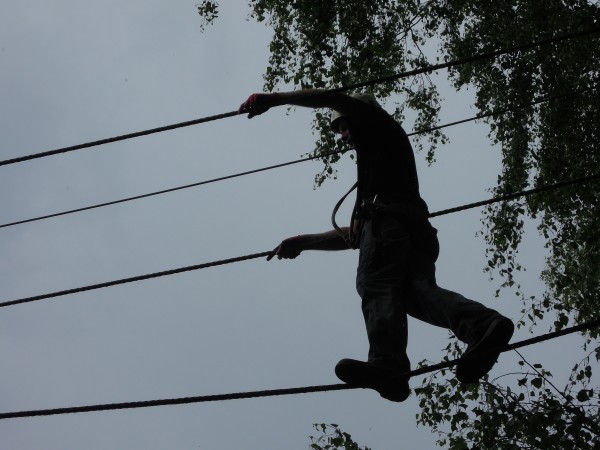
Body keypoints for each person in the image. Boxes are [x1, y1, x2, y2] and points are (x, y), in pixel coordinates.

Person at [238, 89, 514, 402]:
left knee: (375, 283)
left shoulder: (374, 121)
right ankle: (482, 325)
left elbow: (333, 97)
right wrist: (303, 242)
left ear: (359, 113)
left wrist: (273, 99)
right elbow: (358, 236)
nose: (343, 135)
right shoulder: (382, 162)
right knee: (416, 294)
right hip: (412, 229)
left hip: (389, 224)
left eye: (344, 126)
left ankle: (387, 364)